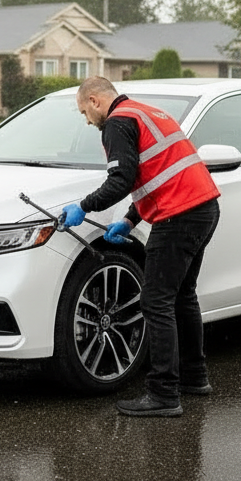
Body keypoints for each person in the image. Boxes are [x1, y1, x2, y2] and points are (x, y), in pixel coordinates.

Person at [61, 76, 221, 417]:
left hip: (178, 215)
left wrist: (84, 207)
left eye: (83, 113)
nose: (86, 121)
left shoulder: (117, 123)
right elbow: (156, 172)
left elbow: (120, 180)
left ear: (94, 100)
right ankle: (195, 378)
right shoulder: (149, 113)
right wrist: (132, 220)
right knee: (182, 295)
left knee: (155, 301)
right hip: (204, 208)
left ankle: (163, 394)